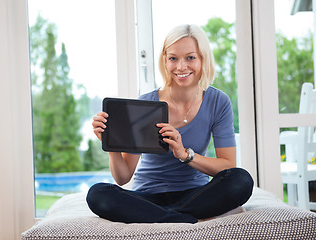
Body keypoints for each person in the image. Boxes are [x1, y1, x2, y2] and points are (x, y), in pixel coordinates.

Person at [87, 24, 254, 224]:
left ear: (203, 59)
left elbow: (227, 166)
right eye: (173, 58)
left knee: (241, 180)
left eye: (190, 57)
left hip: (195, 195)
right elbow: (123, 178)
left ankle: (165, 216)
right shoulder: (145, 103)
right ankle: (185, 219)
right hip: (147, 197)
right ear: (165, 61)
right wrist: (111, 143)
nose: (181, 66)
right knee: (97, 194)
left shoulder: (218, 101)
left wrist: (185, 155)